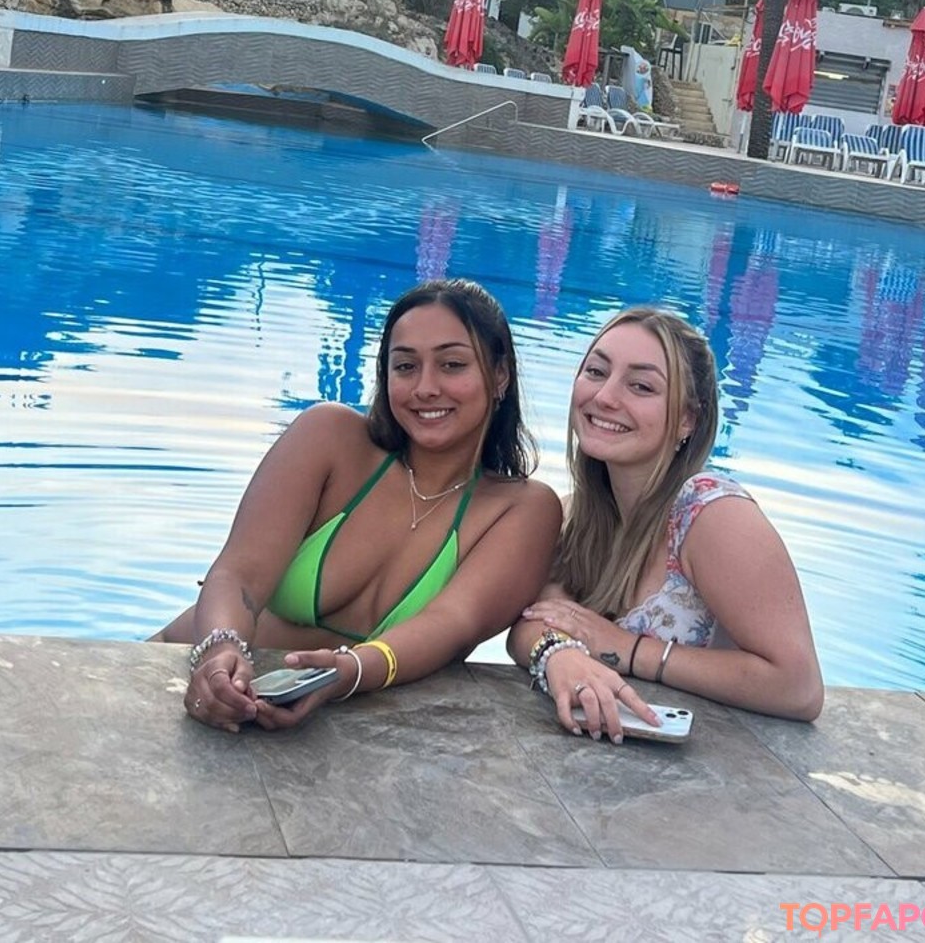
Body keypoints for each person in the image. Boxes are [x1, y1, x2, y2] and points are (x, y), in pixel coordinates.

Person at [155, 278, 562, 732]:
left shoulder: (522, 509)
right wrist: (219, 650)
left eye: (452, 364)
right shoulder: (330, 438)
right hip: (168, 675)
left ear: (500, 374)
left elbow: (452, 623)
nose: (425, 388)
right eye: (405, 366)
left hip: (320, 732)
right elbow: (238, 573)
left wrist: (348, 673)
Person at [507, 307, 823, 741]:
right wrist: (560, 655)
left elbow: (799, 687)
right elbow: (534, 619)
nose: (606, 397)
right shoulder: (577, 515)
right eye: (597, 372)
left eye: (641, 386)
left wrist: (627, 649)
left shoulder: (711, 514)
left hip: (722, 767)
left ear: (687, 419)